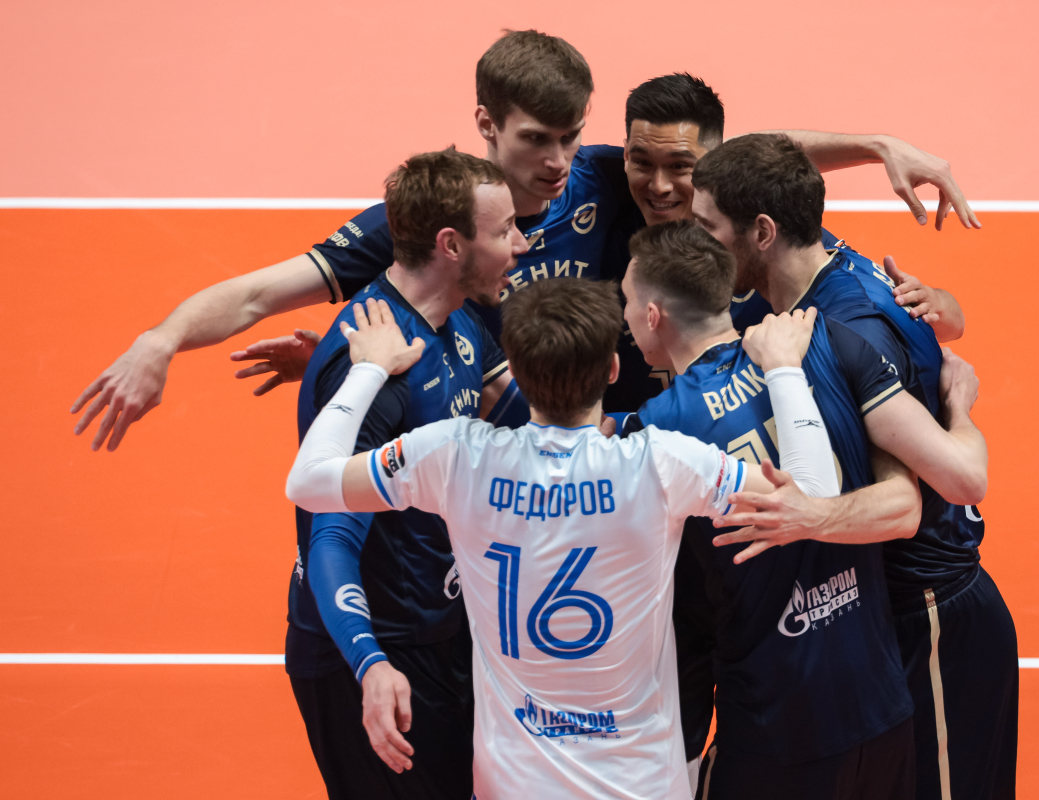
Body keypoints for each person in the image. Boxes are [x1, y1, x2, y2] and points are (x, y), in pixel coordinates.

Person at [70, 33, 979, 452]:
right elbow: (259, 293)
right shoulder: (440, 220)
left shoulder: (611, 178)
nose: (557, 162)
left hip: (663, 431)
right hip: (533, 449)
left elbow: (733, 159)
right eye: (536, 140)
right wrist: (161, 339)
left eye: (571, 137)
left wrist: (879, 146)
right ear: (486, 125)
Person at [285, 279, 843, 799]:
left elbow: (308, 483)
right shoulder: (662, 462)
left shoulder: (455, 455)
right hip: (642, 783)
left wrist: (368, 370)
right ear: (613, 368)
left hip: (513, 785)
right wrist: (784, 369)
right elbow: (815, 493)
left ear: (515, 371)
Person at [619, 220, 994, 799]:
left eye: (625, 300)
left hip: (776, 726)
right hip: (880, 708)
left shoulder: (656, 430)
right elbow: (907, 498)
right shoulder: (825, 346)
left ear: (652, 316)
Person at [690, 134, 1015, 800]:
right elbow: (766, 156)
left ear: (762, 232)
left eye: (707, 228)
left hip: (932, 616)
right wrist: (874, 144)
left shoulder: (849, 328)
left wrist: (959, 408)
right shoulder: (817, 255)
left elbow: (960, 479)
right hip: (873, 616)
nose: (696, 245)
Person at [293, 148, 526, 798]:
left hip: (440, 626)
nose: (521, 244)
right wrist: (369, 663)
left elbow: (530, 427)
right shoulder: (375, 367)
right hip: (376, 652)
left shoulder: (460, 319)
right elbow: (330, 535)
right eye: (505, 230)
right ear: (451, 245)